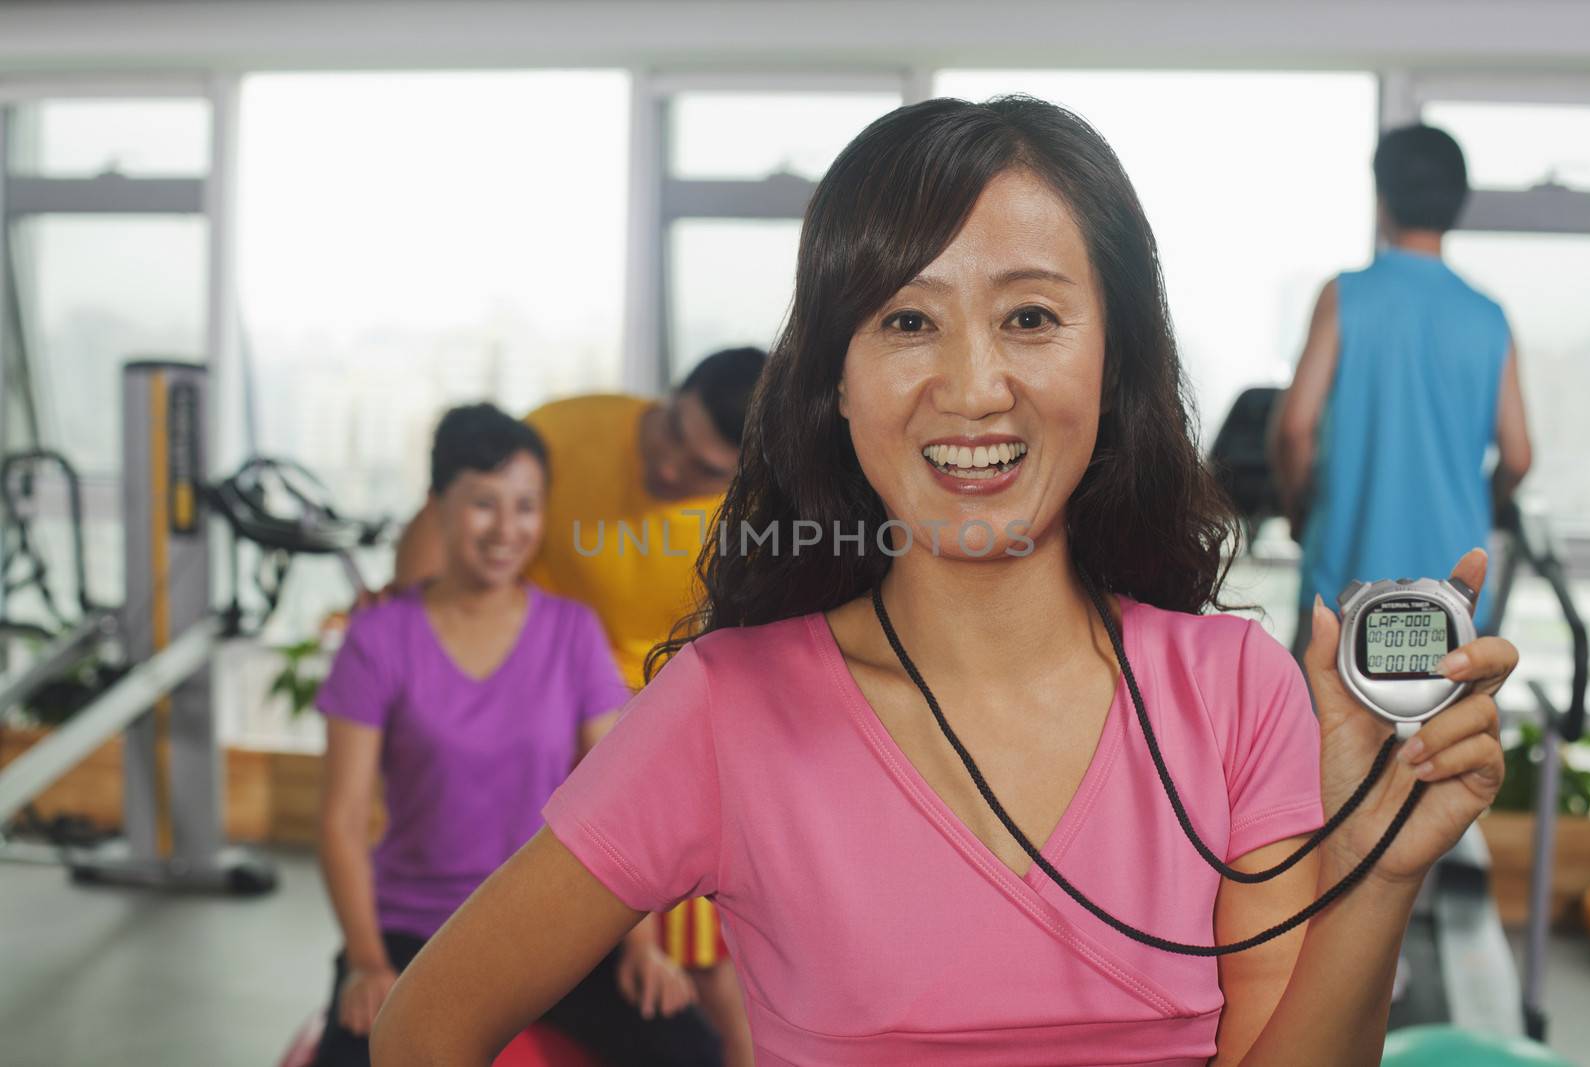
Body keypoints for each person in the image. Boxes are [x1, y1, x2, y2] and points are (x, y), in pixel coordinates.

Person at [371, 97, 1515, 1067]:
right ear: (835, 381)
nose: (973, 387)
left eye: (1030, 316)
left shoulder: (1236, 692)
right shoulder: (727, 708)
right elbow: (421, 1027)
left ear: (1113, 359)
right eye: (907, 319)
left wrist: (1374, 874)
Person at [314, 403, 722, 1066]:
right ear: (438, 505)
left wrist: (642, 948)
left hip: (548, 923)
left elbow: (621, 802)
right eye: (483, 504)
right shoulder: (378, 638)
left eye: (526, 506)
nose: (507, 529)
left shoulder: (573, 632)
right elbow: (341, 817)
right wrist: (365, 962)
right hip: (412, 930)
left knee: (693, 1053)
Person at [390, 351, 765, 1066]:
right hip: (536, 706)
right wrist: (410, 634)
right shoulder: (568, 430)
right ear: (667, 396)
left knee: (716, 975)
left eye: (702, 471)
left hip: (659, 729)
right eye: (669, 439)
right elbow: (443, 516)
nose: (669, 471)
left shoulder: (755, 512)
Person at [1271, 123, 1534, 657]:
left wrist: (1300, 510)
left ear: (1382, 197)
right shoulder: (1488, 317)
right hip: (1448, 601)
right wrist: (1477, 503)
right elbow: (1519, 456)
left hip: (1345, 593)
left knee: (1324, 742)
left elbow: (1295, 427)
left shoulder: (1345, 296)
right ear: (1457, 203)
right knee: (1435, 744)